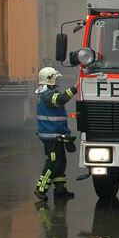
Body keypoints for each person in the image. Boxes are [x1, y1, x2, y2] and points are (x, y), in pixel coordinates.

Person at [34, 66, 77, 201]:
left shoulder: (46, 93)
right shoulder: (47, 95)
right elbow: (61, 99)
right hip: (51, 137)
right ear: (50, 79)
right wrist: (75, 88)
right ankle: (40, 189)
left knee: (60, 163)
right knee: (53, 164)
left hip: (56, 135)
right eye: (55, 78)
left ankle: (60, 191)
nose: (57, 81)